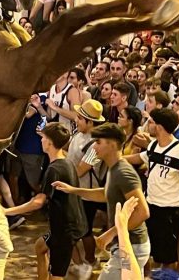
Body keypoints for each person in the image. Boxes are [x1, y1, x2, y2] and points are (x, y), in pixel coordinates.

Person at [53, 123, 150, 280]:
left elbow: (143, 212)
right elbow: (106, 194)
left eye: (98, 142)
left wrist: (110, 234)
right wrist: (73, 190)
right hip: (127, 246)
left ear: (111, 145)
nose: (94, 147)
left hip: (131, 247)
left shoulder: (123, 173)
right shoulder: (114, 168)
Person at [5, 122, 87, 280]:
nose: (40, 141)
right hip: (67, 225)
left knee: (56, 276)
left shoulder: (54, 169)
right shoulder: (67, 162)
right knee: (40, 246)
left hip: (65, 229)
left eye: (43, 138)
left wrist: (7, 211)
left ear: (49, 142)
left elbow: (38, 202)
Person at [125, 109, 179, 270]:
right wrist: (116, 158)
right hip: (151, 205)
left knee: (168, 255)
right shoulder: (154, 145)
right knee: (151, 250)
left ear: (160, 126)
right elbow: (139, 158)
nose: (148, 125)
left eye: (151, 122)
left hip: (169, 210)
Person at [66, 99, 106, 279]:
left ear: (90, 122)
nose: (77, 120)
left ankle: (90, 261)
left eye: (81, 118)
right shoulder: (78, 135)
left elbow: (82, 169)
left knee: (85, 230)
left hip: (87, 194)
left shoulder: (96, 145)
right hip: (76, 190)